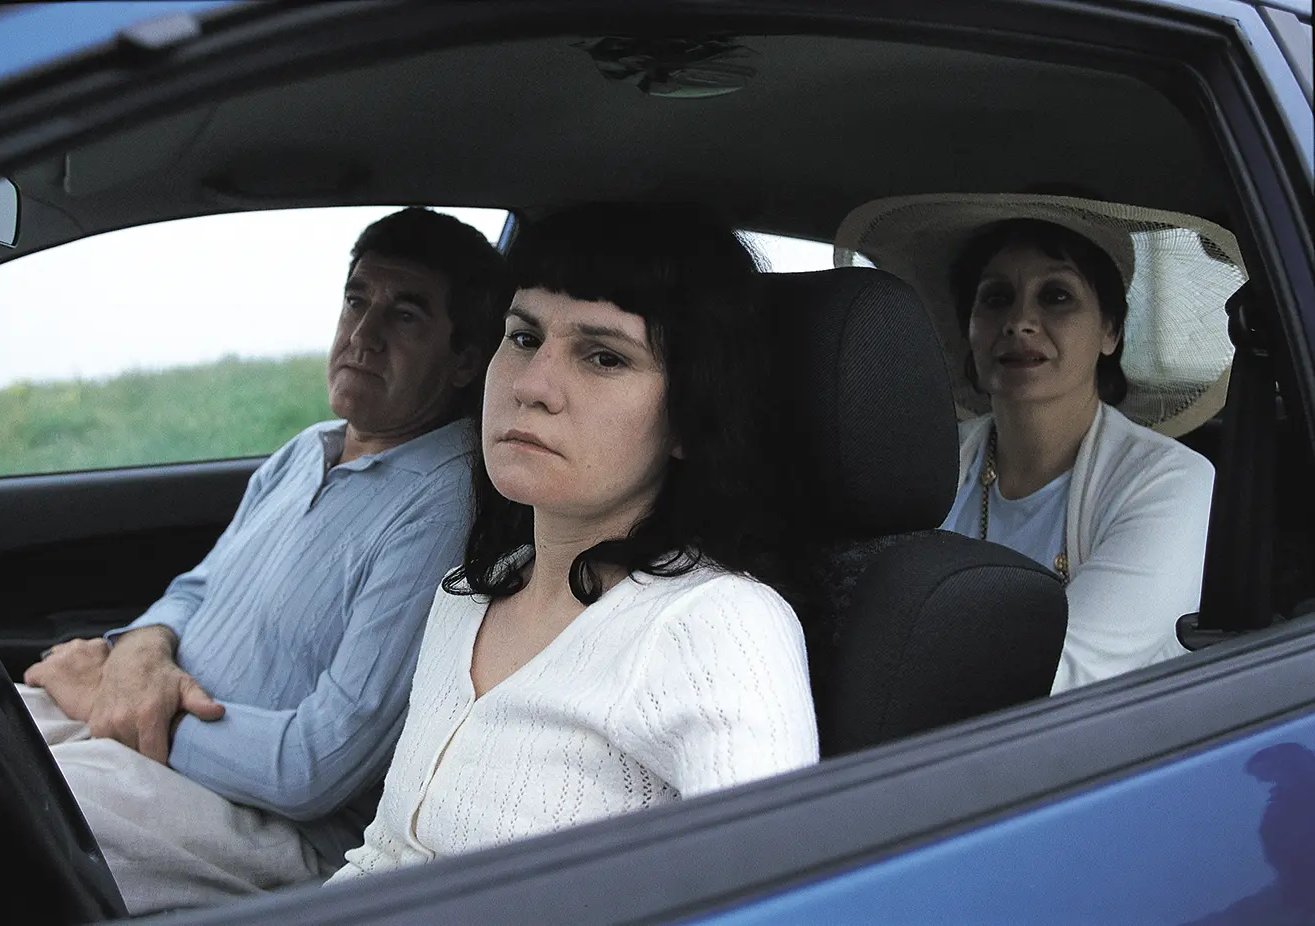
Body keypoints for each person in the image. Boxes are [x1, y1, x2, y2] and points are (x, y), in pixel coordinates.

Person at [17, 207, 512, 913]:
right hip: (164, 746)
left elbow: (316, 768)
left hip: (265, 821)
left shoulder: (442, 508)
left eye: (405, 316)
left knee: (3, 812)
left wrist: (121, 704)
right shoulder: (307, 449)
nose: (363, 335)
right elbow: (197, 589)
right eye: (356, 301)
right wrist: (140, 654)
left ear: (464, 361)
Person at [329, 203, 820, 880]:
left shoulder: (717, 625)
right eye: (524, 337)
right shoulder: (467, 594)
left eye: (603, 357)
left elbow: (774, 897)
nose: (531, 385)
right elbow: (381, 859)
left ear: (690, 416)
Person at [835, 192, 1248, 693]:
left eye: (1056, 296)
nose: (1019, 323)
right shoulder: (930, 464)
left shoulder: (1172, 482)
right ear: (968, 328)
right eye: (996, 298)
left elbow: (1068, 676)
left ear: (1110, 330)